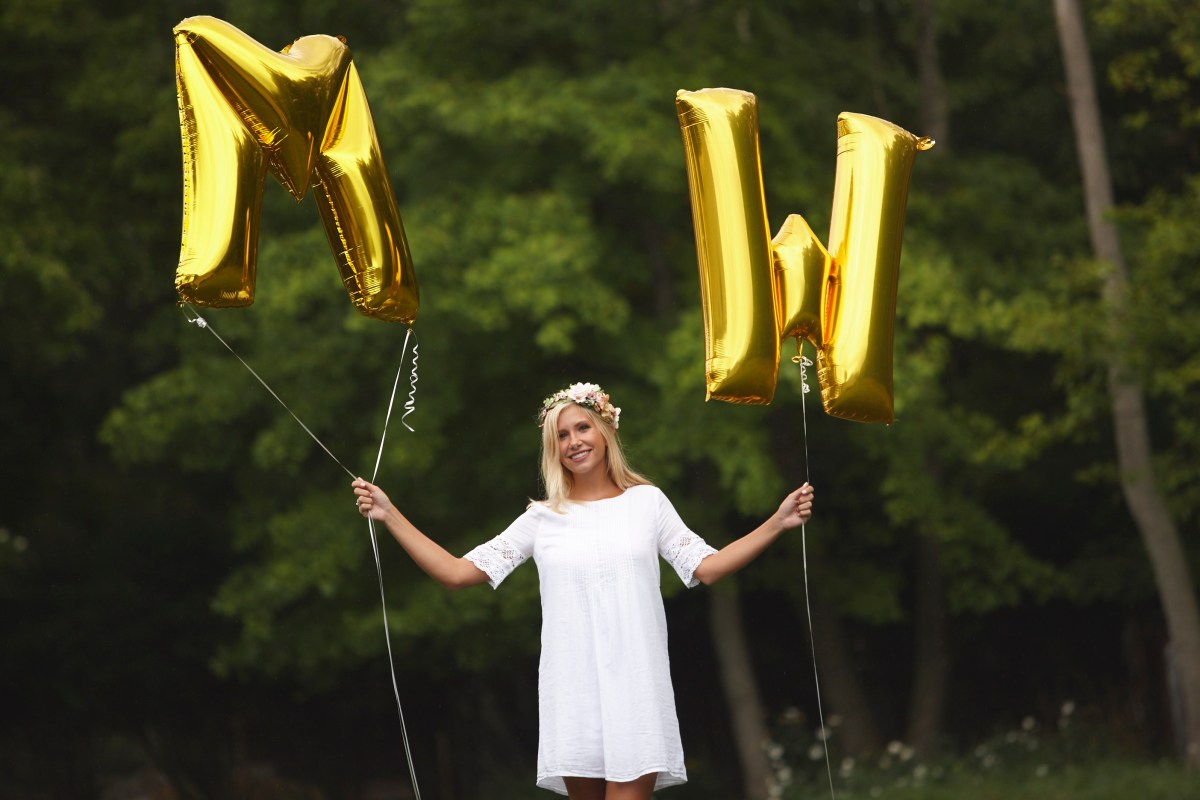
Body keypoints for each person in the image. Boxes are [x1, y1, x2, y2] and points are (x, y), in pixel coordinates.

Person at [352, 382, 814, 799]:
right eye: (561, 435)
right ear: (552, 449)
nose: (573, 441)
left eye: (582, 428)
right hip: (572, 693)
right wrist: (390, 514)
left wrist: (777, 522)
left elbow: (707, 568)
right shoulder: (542, 518)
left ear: (605, 430)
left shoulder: (647, 503)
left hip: (636, 688)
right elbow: (455, 573)